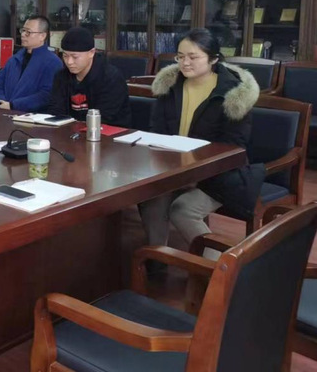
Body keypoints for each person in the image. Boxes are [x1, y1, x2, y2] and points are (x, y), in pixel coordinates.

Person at [138, 29, 259, 257]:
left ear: (213, 59)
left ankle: (221, 267)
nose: (185, 63)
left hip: (219, 173)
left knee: (183, 209)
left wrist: (196, 170)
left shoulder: (233, 93)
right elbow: (157, 130)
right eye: (180, 56)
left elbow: (234, 145)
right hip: (175, 168)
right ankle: (157, 260)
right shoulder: (170, 85)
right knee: (151, 199)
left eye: (193, 57)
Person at [43, 26, 131, 127]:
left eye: (75, 57)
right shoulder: (61, 76)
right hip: (71, 131)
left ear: (91, 53)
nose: (69, 62)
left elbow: (103, 117)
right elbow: (56, 112)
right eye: (65, 56)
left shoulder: (111, 78)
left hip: (109, 132)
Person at [0, 15, 63, 111]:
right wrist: (0, 103)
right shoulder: (14, 59)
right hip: (4, 112)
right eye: (23, 30)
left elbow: (46, 95)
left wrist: (13, 105)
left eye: (28, 32)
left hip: (32, 117)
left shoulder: (53, 62)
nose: (23, 34)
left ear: (42, 36)